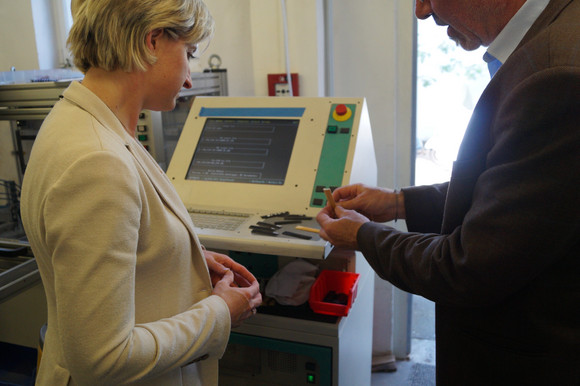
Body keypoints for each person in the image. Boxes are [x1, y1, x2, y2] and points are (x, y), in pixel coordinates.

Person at [317, 0, 579, 384]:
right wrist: (397, 202)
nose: (421, 11)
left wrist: (362, 235)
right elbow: (506, 189)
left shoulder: (556, 74)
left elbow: (468, 267)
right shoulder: (549, 39)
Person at [20, 0, 261, 384]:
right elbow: (102, 357)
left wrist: (179, 258)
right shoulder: (97, 160)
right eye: (188, 52)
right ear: (152, 40)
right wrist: (220, 313)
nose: (188, 79)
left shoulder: (81, 121)